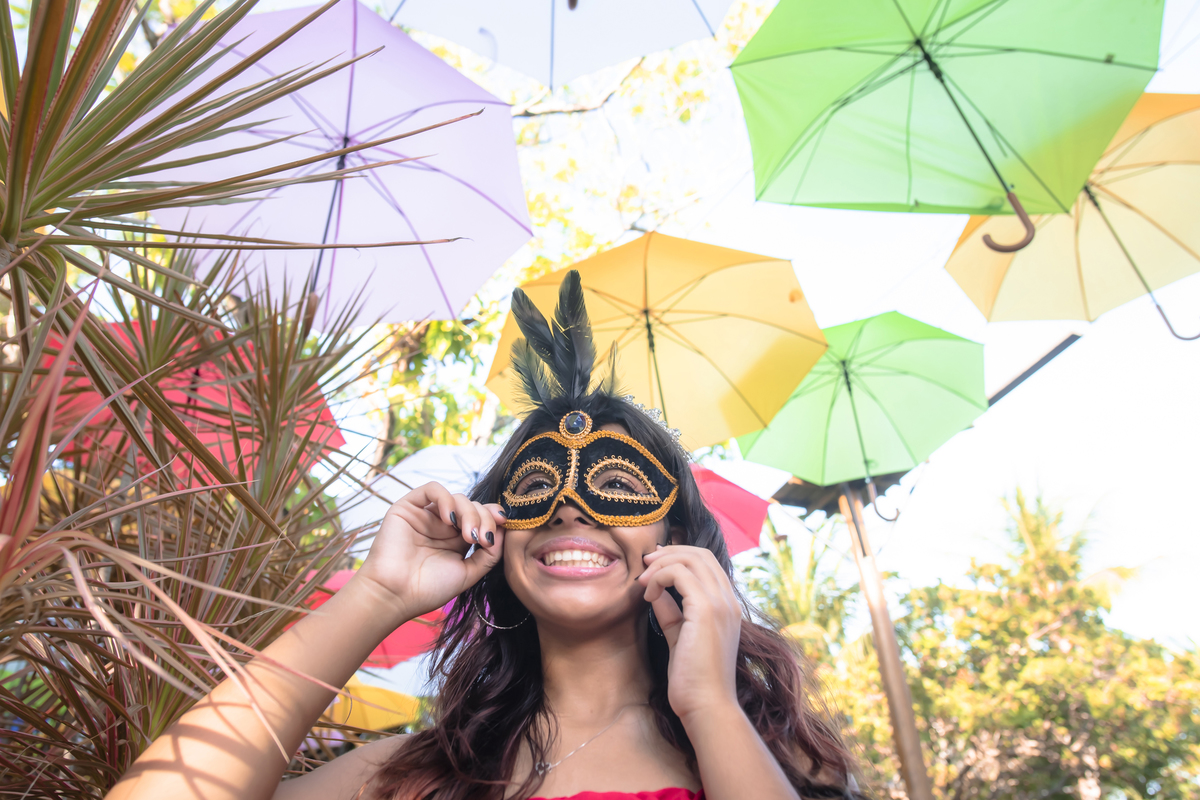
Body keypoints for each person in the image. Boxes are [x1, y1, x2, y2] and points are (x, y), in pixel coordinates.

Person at [108, 271, 861, 800]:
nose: (571, 509)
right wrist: (376, 596)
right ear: (495, 535)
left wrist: (710, 708)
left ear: (681, 537)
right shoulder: (412, 776)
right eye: (535, 488)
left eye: (618, 485)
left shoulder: (780, 761)